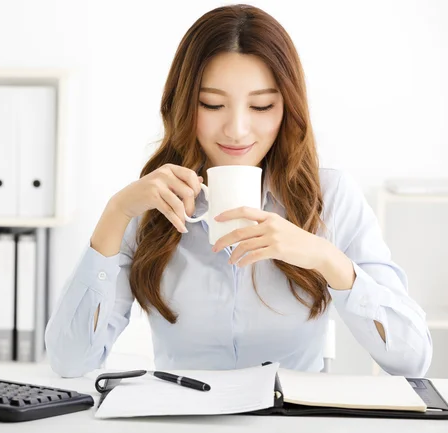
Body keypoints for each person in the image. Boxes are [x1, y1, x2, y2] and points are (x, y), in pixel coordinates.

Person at [45, 3, 432, 378]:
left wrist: (328, 260)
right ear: (183, 104)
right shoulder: (150, 204)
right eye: (212, 104)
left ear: (288, 109)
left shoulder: (331, 196)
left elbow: (412, 359)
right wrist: (116, 213)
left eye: (262, 106)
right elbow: (70, 361)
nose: (237, 130)